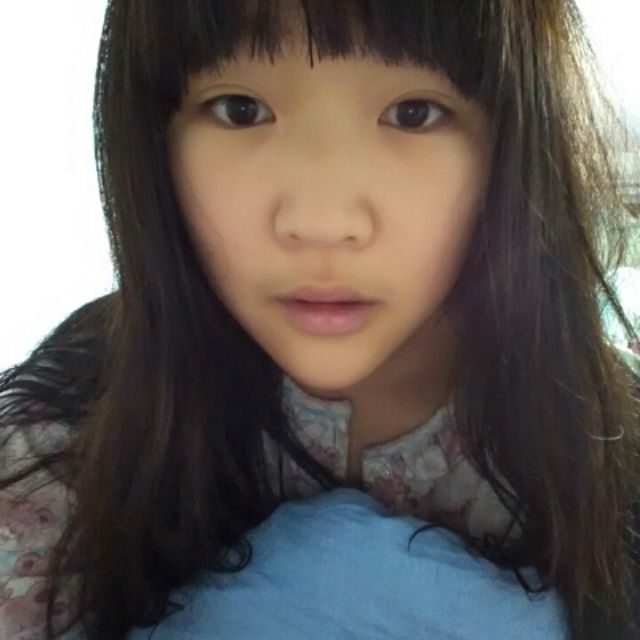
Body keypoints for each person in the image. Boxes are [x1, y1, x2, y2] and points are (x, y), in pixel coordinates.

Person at [1, 0, 639, 638]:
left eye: (413, 113)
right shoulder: (72, 429)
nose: (321, 223)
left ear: (515, 137)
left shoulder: (612, 452)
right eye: (240, 109)